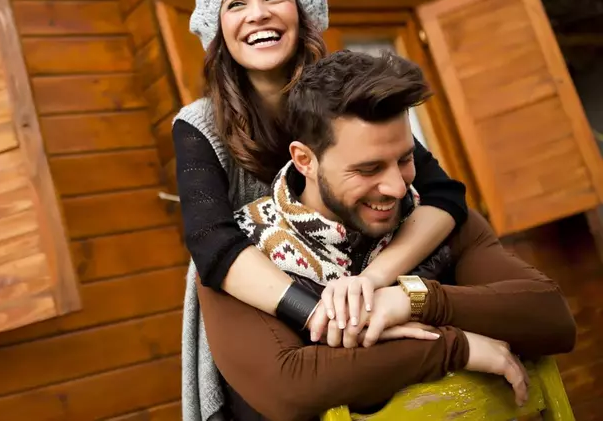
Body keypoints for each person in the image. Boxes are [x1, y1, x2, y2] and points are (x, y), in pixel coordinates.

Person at [173, 0, 467, 420]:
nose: (257, 14)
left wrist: (373, 283)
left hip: (371, 278)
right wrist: (322, 314)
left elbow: (444, 197)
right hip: (263, 306)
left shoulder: (348, 97)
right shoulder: (199, 124)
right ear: (218, 31)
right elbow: (211, 243)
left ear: (301, 14)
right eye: (236, 3)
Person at [196, 50, 576, 420]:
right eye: (368, 168)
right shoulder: (243, 257)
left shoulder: (436, 219)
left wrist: (415, 301)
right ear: (305, 161)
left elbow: (551, 318)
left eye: (406, 159)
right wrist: (453, 346)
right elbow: (290, 386)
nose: (396, 187)